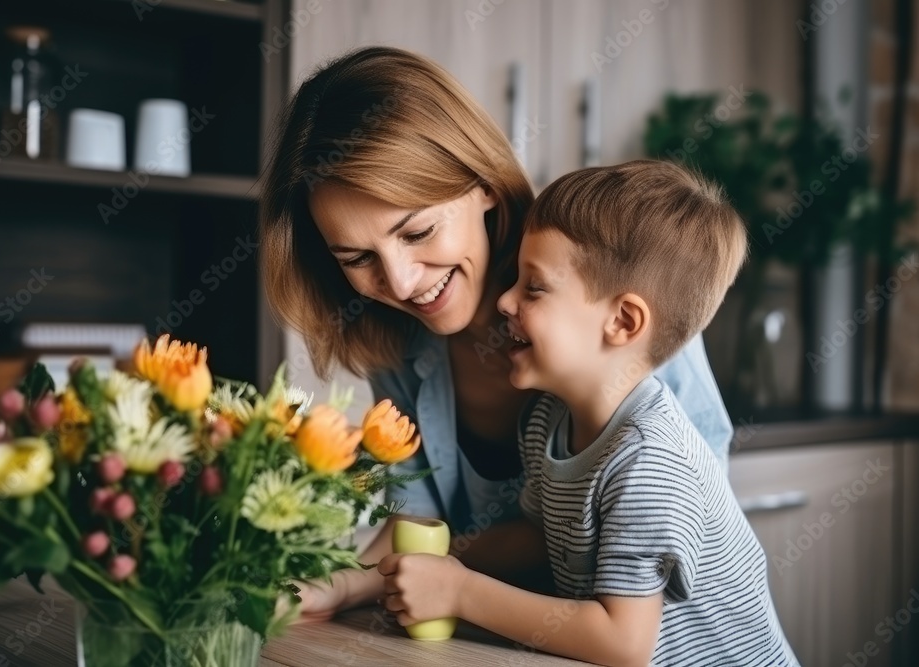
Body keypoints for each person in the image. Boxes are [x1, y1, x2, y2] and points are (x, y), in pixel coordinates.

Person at [260, 46, 734, 618]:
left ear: (481, 183)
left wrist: (452, 578)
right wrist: (341, 584)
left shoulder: (613, 280)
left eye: (418, 232)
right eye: (358, 257)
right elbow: (421, 525)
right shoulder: (396, 344)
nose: (402, 282)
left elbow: (676, 523)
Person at [377, 161, 799, 666]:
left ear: (622, 321)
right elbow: (539, 540)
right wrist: (438, 558)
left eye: (533, 287)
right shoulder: (546, 425)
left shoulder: (650, 462)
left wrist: (460, 592)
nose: (506, 301)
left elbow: (622, 645)